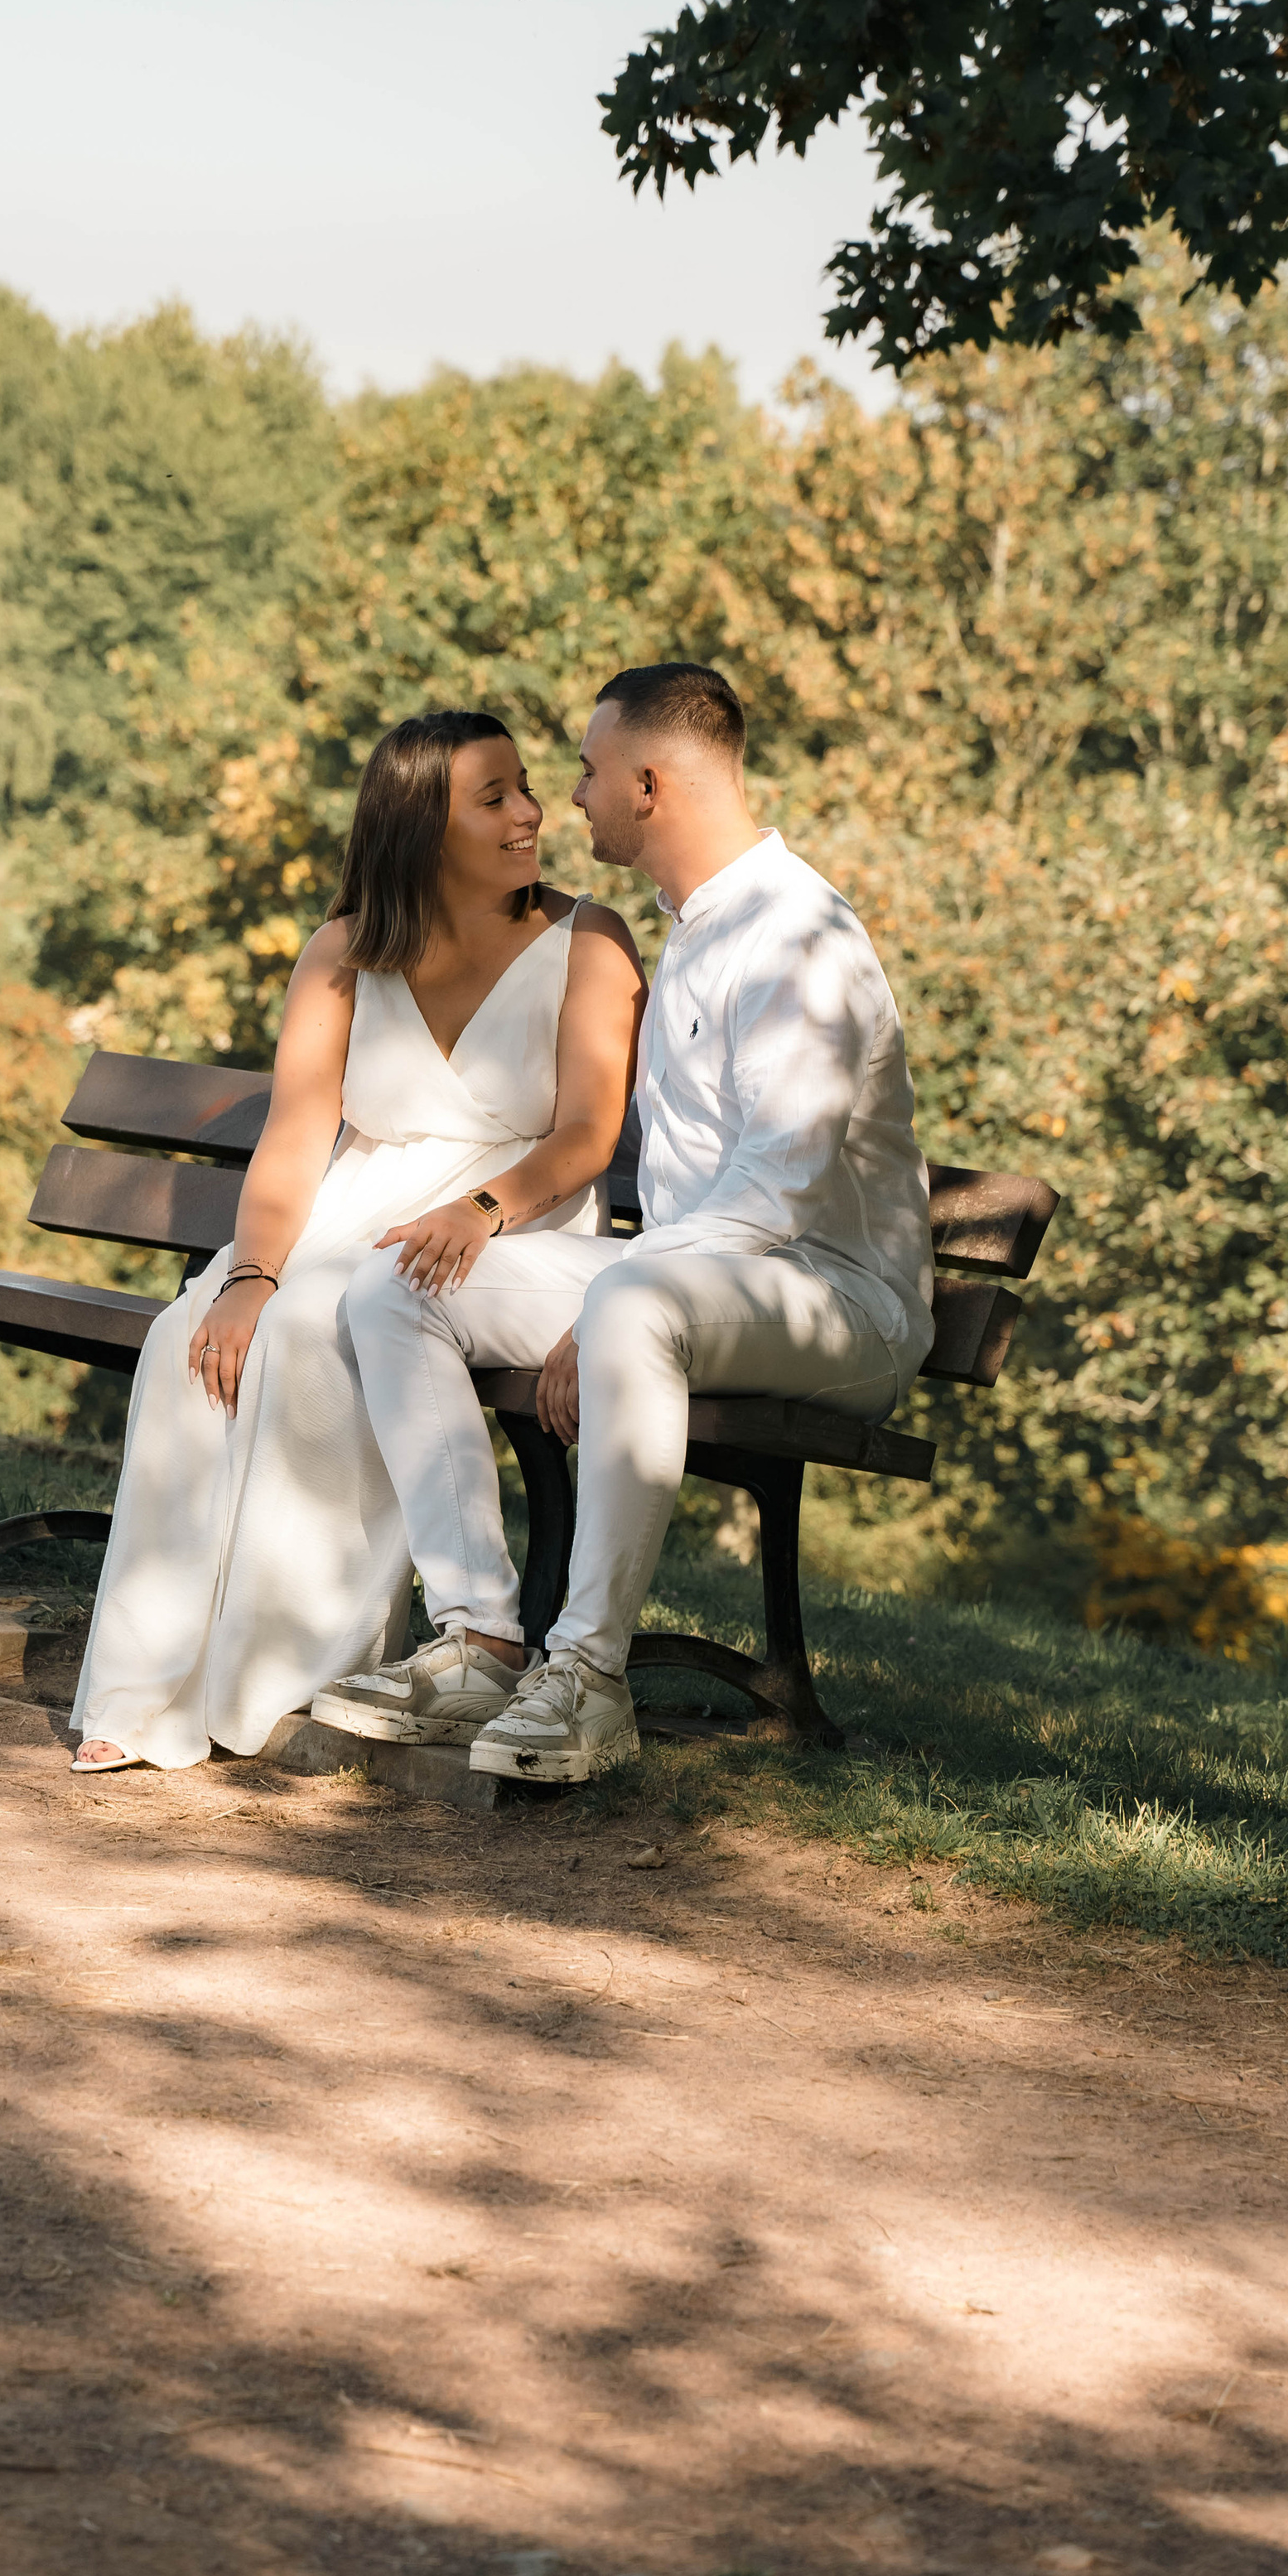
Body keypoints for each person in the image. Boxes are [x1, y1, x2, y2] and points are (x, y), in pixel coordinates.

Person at [318, 663, 935, 1783]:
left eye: (588, 770)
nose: (570, 796)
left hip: (839, 1301)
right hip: (686, 1280)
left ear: (648, 785)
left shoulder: (799, 939)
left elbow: (779, 1188)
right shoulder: (691, 926)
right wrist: (607, 1286)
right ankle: (480, 1641)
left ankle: (589, 1679)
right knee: (398, 1282)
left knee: (636, 1303)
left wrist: (609, 1299)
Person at [66, 709, 645, 1772]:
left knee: (320, 1332)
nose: (530, 813)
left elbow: (585, 1136)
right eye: (496, 798)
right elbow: (296, 1135)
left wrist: (481, 1211)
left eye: (526, 787)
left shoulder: (590, 942)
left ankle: (286, 1676)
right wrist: (249, 1275)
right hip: (351, 1208)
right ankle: (146, 1685)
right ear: (421, 826)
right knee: (196, 1341)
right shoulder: (344, 950)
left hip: (506, 1222)